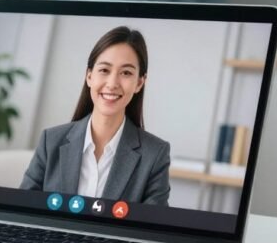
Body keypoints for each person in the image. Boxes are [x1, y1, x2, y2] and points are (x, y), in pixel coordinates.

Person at [20, 26, 171, 205]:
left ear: (139, 83)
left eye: (126, 73)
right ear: (89, 76)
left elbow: (151, 229)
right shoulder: (50, 141)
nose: (112, 83)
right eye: (104, 70)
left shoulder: (154, 155)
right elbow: (22, 211)